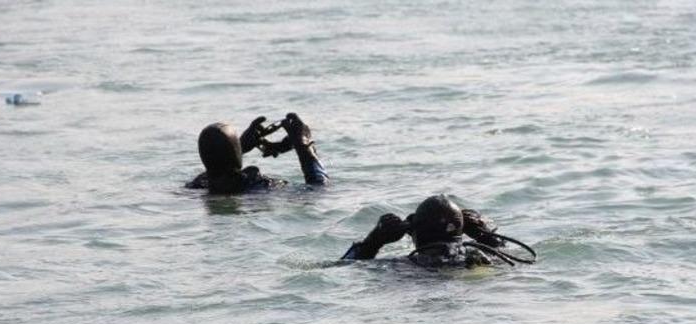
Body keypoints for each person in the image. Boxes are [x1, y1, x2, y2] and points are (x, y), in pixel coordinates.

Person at [341, 194, 536, 268]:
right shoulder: (487, 256)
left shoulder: (400, 265)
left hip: (419, 279)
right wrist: (485, 235)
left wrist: (374, 241)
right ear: (463, 231)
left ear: (413, 232)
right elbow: (518, 259)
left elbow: (343, 268)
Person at [185, 113, 328, 194]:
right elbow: (318, 189)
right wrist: (305, 147)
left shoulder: (199, 184)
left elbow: (220, 164)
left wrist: (241, 147)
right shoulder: (260, 186)